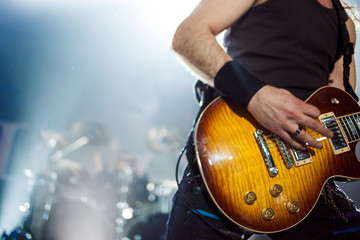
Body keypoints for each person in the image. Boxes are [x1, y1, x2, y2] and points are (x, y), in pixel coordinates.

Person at [166, 0, 360, 239]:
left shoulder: (345, 24)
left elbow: (339, 107)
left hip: (307, 175)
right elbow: (188, 37)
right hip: (231, 159)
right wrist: (256, 98)